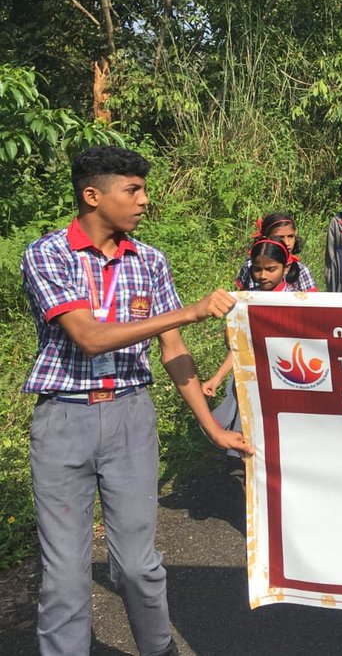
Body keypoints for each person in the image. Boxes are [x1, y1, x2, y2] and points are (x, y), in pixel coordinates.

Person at [20, 145, 252, 656]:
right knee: (64, 577)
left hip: (130, 417)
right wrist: (188, 312)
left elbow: (173, 351)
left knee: (138, 565)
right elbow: (90, 336)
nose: (144, 200)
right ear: (92, 196)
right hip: (63, 421)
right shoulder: (47, 254)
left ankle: (158, 648)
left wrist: (212, 427)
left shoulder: (149, 261)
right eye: (133, 190)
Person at [204, 236, 301, 449]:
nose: (263, 275)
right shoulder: (246, 301)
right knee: (247, 438)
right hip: (253, 379)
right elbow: (240, 346)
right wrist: (217, 378)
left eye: (271, 269)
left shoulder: (298, 302)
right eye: (258, 269)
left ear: (286, 268)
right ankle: (248, 481)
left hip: (287, 380)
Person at [234, 212, 318, 292]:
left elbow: (310, 302)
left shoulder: (301, 270)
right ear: (266, 237)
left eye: (290, 236)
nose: (287, 243)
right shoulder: (250, 265)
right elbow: (243, 298)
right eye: (280, 237)